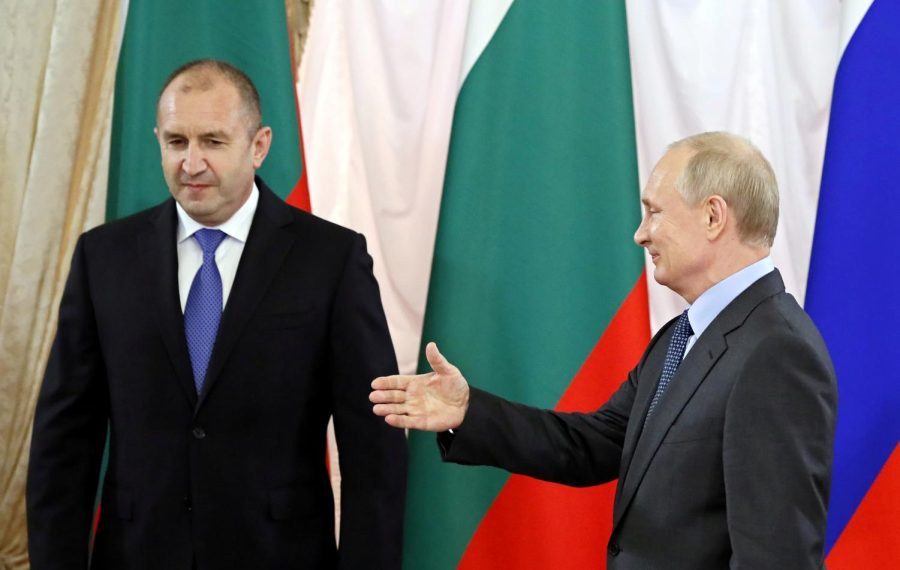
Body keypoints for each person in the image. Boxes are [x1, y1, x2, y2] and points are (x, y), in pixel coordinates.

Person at [371, 132, 837, 568]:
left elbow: (777, 557)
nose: (641, 234)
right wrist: (469, 411)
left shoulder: (777, 353)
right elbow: (592, 445)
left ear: (713, 217)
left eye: (654, 212)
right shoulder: (684, 335)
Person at [27, 59, 406, 570]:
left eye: (213, 141)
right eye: (177, 142)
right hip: (137, 555)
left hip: (280, 555)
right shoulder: (104, 257)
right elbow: (64, 439)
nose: (192, 162)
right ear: (158, 138)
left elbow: (373, 448)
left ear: (259, 145)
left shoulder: (331, 260)